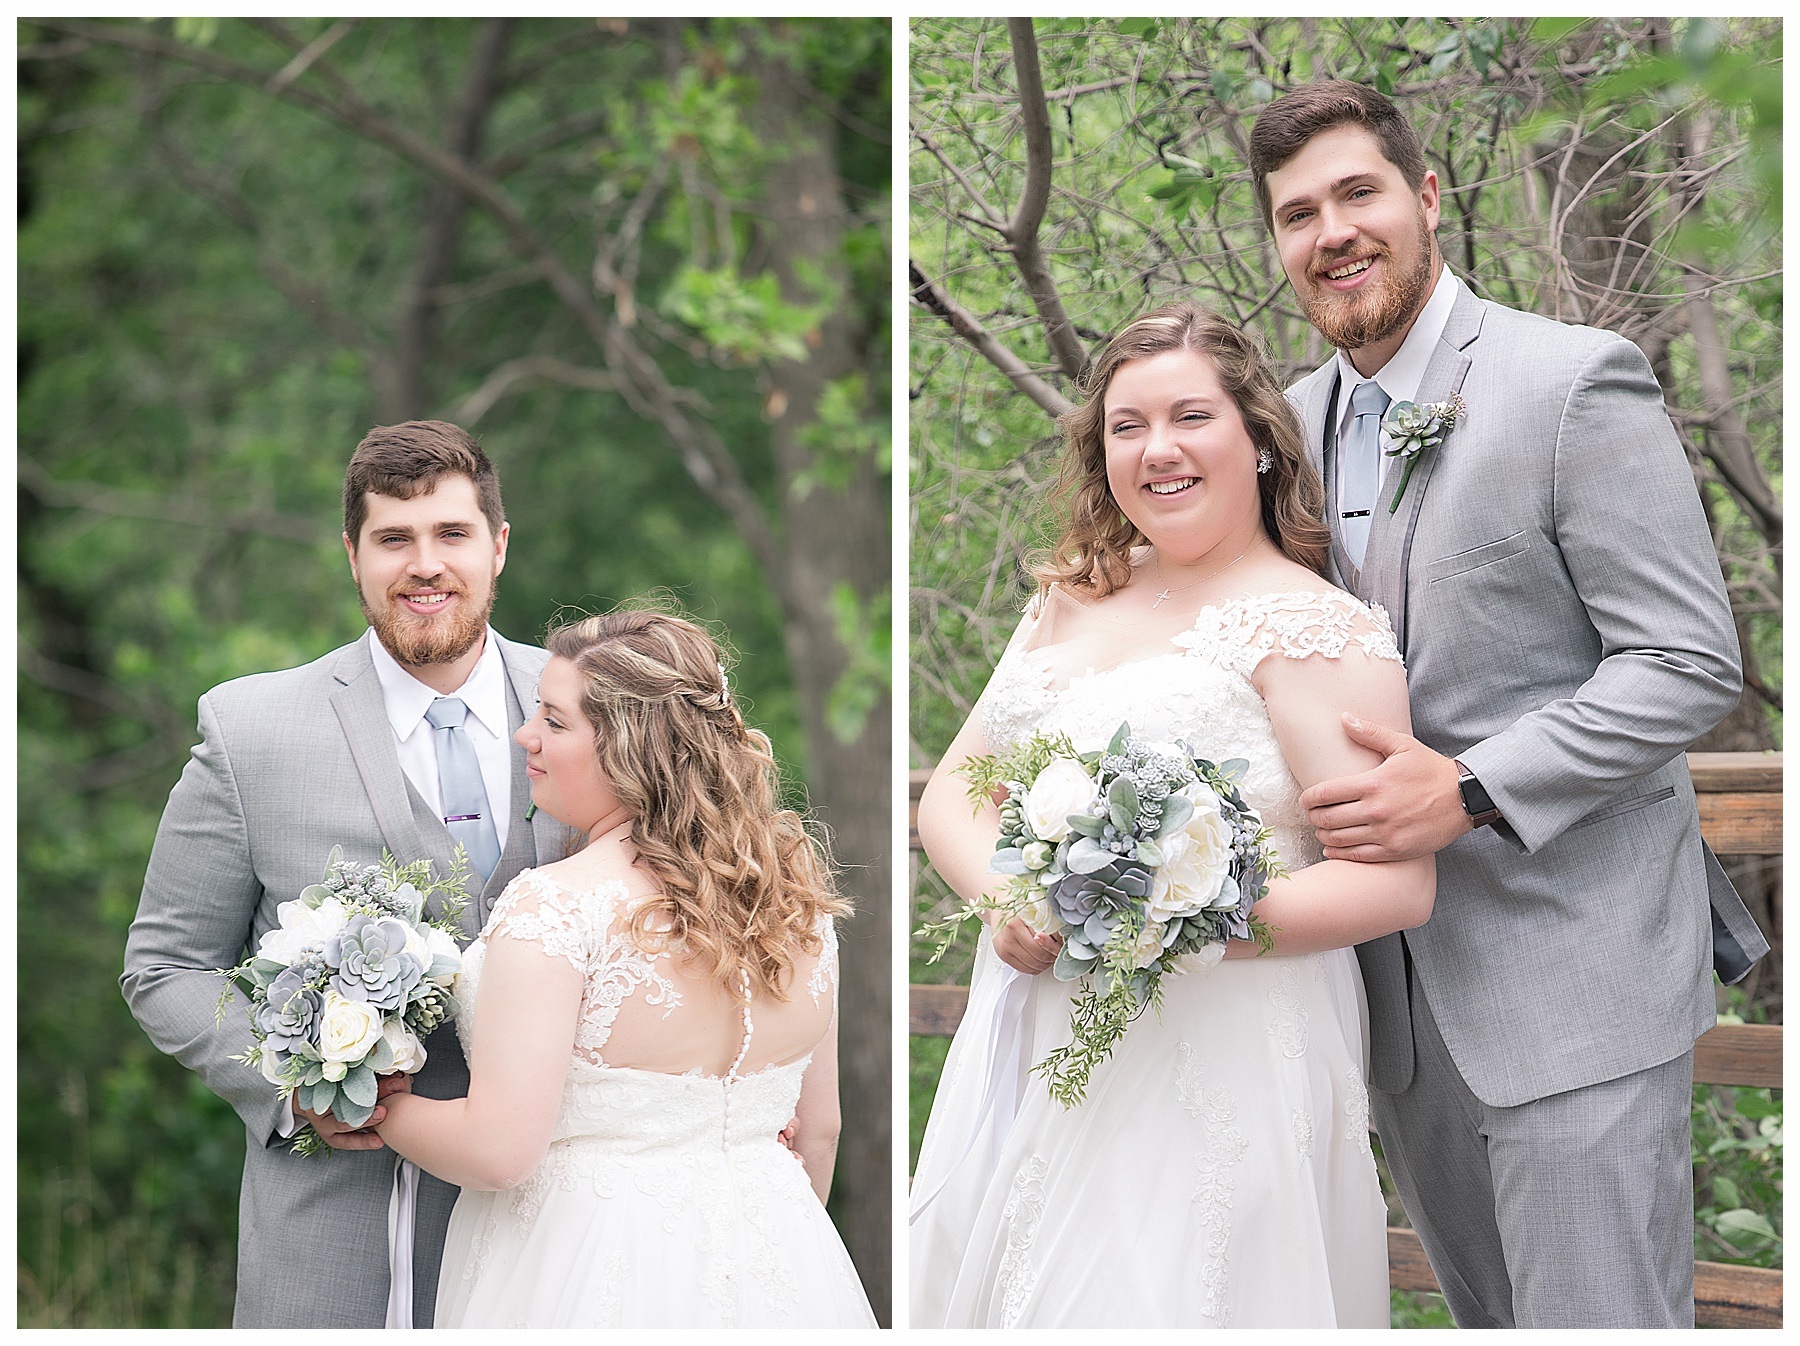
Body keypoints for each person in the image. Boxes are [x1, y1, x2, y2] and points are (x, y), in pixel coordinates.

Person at [1249, 81, 1768, 1329]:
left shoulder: (1572, 381)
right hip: (1394, 1007)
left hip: (1576, 972)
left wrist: (1471, 786)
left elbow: (1689, 658)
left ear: (1425, 199)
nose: (1333, 233)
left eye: (1358, 192)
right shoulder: (1281, 429)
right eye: (1297, 213)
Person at [909, 305, 1437, 1328]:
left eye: (1190, 415)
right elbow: (954, 792)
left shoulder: (1315, 625)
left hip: (1226, 1046)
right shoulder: (1070, 595)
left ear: (1257, 437)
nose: (1158, 450)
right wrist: (1009, 898)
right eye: (1126, 425)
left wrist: (1167, 928)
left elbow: (1392, 879)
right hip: (1037, 1033)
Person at [121, 421, 580, 1327]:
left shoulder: (599, 711)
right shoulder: (252, 731)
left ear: (498, 544)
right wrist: (294, 1084)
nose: (425, 565)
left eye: (451, 534)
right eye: (393, 539)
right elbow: (165, 967)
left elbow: (695, 904)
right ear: (352, 554)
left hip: (556, 1226)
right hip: (332, 1234)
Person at [372, 607, 877, 1328]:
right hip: (783, 1254)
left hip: (582, 1261)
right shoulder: (795, 901)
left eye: (554, 720)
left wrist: (373, 1104)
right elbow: (818, 1130)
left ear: (629, 748)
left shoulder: (555, 906)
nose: (526, 736)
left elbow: (500, 1151)